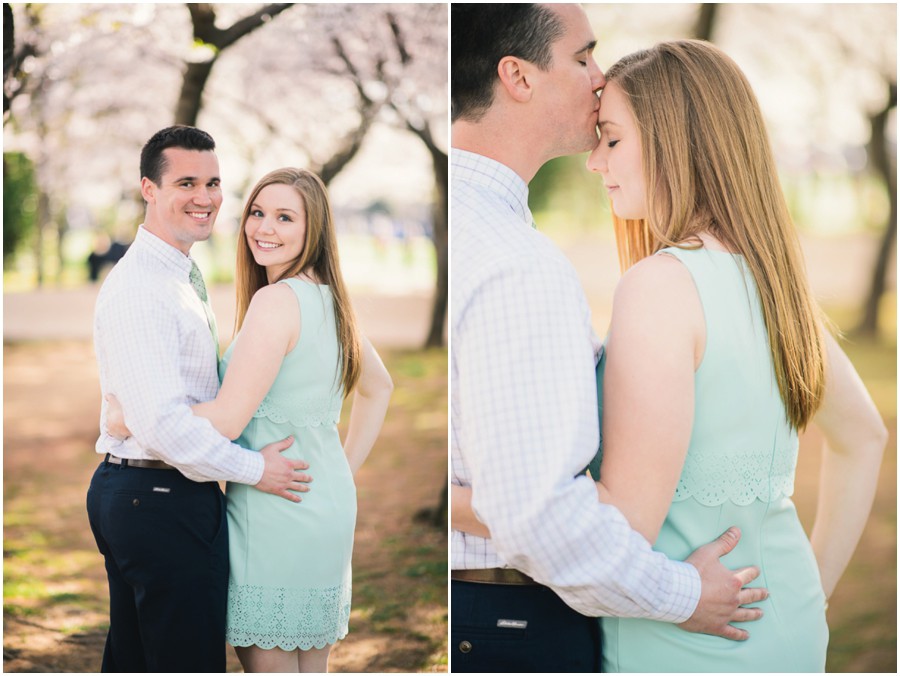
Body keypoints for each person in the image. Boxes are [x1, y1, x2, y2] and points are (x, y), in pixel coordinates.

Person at [460, 38, 889, 673]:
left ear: (675, 143)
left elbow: (624, 520)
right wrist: (812, 593)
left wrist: (460, 499)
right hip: (785, 626)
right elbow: (866, 436)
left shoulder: (659, 286)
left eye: (612, 140)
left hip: (686, 642)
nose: (593, 162)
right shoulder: (775, 285)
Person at [450, 4, 767, 672]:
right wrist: (684, 595)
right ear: (518, 76)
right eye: (583, 55)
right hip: (515, 621)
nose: (599, 77)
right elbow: (537, 514)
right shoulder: (517, 262)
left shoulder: (476, 230)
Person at [107, 167, 394, 672]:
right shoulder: (332, 300)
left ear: (314, 229)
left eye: (285, 217)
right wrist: (340, 473)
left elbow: (226, 420)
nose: (264, 227)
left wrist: (136, 415)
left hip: (273, 509)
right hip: (322, 501)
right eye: (258, 213)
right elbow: (379, 387)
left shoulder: (275, 302)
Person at [87, 125, 314, 672]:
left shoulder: (180, 275)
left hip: (156, 491)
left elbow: (158, 400)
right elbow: (163, 426)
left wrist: (128, 418)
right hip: (159, 496)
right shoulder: (144, 287)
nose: (205, 197)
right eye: (185, 182)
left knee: (140, 660)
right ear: (148, 188)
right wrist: (255, 469)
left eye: (213, 182)